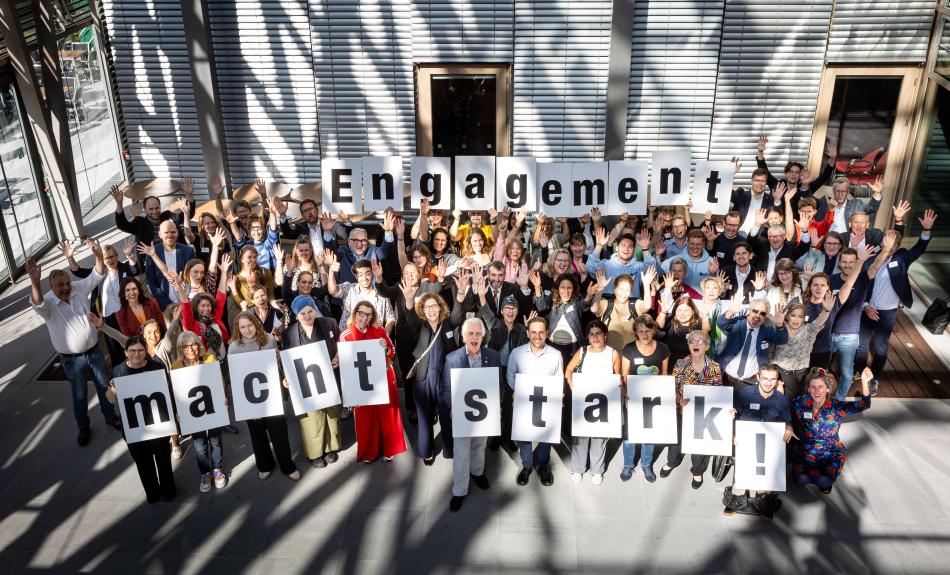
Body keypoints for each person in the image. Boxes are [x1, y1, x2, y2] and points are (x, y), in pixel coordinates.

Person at [27, 240, 122, 446]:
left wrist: (98, 255)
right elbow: (37, 302)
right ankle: (83, 427)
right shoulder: (48, 303)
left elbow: (97, 274)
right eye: (60, 285)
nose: (66, 288)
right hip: (72, 360)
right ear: (51, 286)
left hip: (94, 352)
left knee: (104, 386)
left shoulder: (77, 289)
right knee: (79, 394)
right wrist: (35, 282)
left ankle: (110, 416)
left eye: (67, 283)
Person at [858, 210, 936, 382]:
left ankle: (875, 378)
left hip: (887, 313)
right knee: (861, 345)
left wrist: (926, 231)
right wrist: (865, 305)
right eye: (886, 243)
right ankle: (858, 373)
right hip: (866, 308)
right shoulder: (871, 257)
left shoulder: (902, 258)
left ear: (898, 246)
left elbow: (920, 248)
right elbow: (862, 284)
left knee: (880, 348)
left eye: (893, 245)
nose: (889, 247)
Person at [228, 311, 300, 481]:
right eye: (243, 327)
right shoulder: (234, 348)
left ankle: (287, 466)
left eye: (250, 325)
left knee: (279, 432)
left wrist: (278, 361)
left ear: (256, 324)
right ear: (238, 329)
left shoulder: (268, 340)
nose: (247, 330)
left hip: (271, 394)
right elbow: (235, 376)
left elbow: (276, 366)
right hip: (249, 398)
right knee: (257, 434)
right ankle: (264, 465)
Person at [107, 336, 176, 502]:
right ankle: (152, 493)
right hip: (133, 427)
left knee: (163, 460)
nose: (136, 354)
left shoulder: (157, 368)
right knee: (143, 463)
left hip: (158, 424)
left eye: (140, 350)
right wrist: (113, 390)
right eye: (132, 350)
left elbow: (167, 393)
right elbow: (110, 399)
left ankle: (168, 491)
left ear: (146, 351)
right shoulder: (118, 371)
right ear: (125, 352)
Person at [724, 363, 796, 519]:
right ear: (757, 377)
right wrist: (733, 432)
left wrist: (789, 428)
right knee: (742, 467)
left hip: (770, 441)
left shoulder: (782, 401)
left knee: (767, 469)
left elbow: (787, 420)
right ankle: (738, 496)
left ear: (777, 380)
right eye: (764, 379)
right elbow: (733, 414)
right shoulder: (745, 394)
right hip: (747, 438)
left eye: (772, 379)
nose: (768, 383)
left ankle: (762, 497)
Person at [442, 317, 500, 512]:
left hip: (484, 413)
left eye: (478, 334)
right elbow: (446, 388)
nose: (474, 337)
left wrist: (497, 403)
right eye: (470, 334)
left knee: (479, 445)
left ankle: (477, 472)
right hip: (461, 414)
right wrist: (452, 406)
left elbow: (498, 384)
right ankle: (459, 490)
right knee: (461, 452)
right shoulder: (452, 359)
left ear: (483, 336)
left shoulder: (492, 356)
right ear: (463, 336)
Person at [401, 288, 464, 464]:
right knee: (425, 418)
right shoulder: (419, 324)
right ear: (422, 309)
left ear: (440, 307)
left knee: (447, 416)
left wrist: (460, 295)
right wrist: (409, 300)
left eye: (434, 306)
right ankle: (427, 450)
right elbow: (410, 317)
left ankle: (450, 448)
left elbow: (457, 314)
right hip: (424, 378)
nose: (431, 310)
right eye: (427, 307)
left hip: (444, 378)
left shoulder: (447, 323)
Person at [340, 301, 407, 463]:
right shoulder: (346, 336)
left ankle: (390, 448)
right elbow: (345, 364)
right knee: (365, 418)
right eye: (361, 313)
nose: (364, 317)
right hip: (360, 383)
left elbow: (392, 351)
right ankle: (369, 452)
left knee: (387, 415)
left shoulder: (379, 330)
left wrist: (385, 348)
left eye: (368, 314)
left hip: (383, 378)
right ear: (355, 313)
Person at [791, 367, 873, 494]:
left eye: (821, 386)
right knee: (800, 480)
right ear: (808, 389)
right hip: (806, 450)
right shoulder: (800, 402)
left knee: (823, 482)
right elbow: (784, 410)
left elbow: (864, 404)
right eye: (813, 387)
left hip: (830, 451)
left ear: (828, 389)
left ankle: (824, 479)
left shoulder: (836, 406)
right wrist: (788, 426)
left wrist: (864, 382)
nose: (817, 391)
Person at [282, 295, 343, 468]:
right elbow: (286, 359)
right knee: (311, 418)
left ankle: (330, 448)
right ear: (296, 316)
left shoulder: (329, 323)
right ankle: (315, 453)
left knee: (331, 414)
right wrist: (286, 377)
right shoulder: (289, 334)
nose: (308, 316)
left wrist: (339, 355)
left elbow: (341, 342)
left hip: (329, 378)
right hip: (305, 382)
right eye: (303, 314)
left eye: (310, 311)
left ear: (315, 310)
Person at [506, 317, 564, 487]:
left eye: (541, 332)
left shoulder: (556, 355)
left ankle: (543, 465)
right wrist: (518, 390)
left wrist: (558, 393)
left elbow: (559, 377)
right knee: (524, 435)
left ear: (547, 333)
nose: (537, 336)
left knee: (546, 436)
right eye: (533, 332)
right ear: (527, 333)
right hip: (524, 401)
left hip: (546, 402)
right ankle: (527, 465)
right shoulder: (516, 353)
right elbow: (510, 375)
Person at [661, 330, 723, 488]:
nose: (695, 343)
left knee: (699, 443)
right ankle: (672, 462)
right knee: (676, 439)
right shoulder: (680, 363)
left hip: (703, 414)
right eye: (692, 341)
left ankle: (698, 470)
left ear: (707, 346)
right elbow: (672, 387)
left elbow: (718, 393)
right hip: (681, 411)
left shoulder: (715, 367)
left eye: (700, 341)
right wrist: (678, 399)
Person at [565, 320, 621, 485]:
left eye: (598, 334)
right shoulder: (582, 351)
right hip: (584, 399)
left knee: (599, 436)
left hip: (603, 401)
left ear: (605, 335)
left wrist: (617, 388)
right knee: (580, 436)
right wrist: (570, 382)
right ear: (588, 337)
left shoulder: (613, 354)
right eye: (592, 334)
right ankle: (577, 468)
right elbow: (569, 370)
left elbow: (617, 377)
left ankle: (597, 470)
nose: (595, 337)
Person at [170, 332, 226, 492]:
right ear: (180, 349)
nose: (190, 349)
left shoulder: (209, 358)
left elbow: (219, 381)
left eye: (193, 344)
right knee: (199, 444)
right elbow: (176, 392)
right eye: (186, 346)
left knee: (215, 440)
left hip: (212, 406)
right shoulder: (176, 366)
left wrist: (223, 397)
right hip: (191, 411)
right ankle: (205, 473)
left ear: (198, 345)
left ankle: (217, 469)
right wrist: (177, 410)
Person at [619, 315, 671, 482]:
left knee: (650, 432)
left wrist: (664, 397)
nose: (644, 334)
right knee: (629, 433)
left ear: (653, 330)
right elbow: (624, 375)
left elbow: (664, 374)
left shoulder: (663, 349)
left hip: (654, 397)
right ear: (636, 332)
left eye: (648, 330)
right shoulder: (629, 349)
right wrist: (626, 395)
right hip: (634, 397)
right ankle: (628, 465)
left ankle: (646, 464)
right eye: (641, 331)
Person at [478, 288, 529, 452]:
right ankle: (497, 436)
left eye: (513, 308)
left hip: (513, 372)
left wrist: (528, 332)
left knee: (511, 406)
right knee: (496, 405)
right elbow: (485, 309)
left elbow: (524, 352)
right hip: (496, 370)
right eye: (507, 307)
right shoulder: (494, 323)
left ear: (517, 311)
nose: (510, 311)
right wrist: (481, 295)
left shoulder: (522, 329)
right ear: (502, 311)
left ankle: (512, 437)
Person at [717, 298, 788, 388]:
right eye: (755, 311)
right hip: (726, 378)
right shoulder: (737, 323)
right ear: (749, 311)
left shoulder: (766, 330)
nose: (758, 315)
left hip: (750, 382)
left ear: (765, 317)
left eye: (762, 313)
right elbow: (721, 323)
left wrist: (779, 325)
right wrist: (731, 311)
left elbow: (782, 339)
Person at [770, 301, 832, 398]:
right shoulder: (779, 326)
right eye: (793, 315)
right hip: (782, 373)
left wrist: (826, 311)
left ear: (804, 318)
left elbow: (818, 322)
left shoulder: (808, 330)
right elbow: (770, 349)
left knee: (801, 400)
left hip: (802, 374)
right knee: (784, 400)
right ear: (787, 316)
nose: (796, 319)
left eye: (800, 316)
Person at [177, 254, 232, 359]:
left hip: (221, 357)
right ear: (196, 307)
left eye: (208, 305)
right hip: (200, 361)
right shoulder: (191, 322)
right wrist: (179, 286)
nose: (206, 309)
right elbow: (186, 306)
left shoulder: (214, 316)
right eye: (203, 306)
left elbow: (221, 296)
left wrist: (224, 273)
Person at [591, 270, 655, 352]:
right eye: (621, 289)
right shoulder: (606, 304)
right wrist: (601, 287)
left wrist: (646, 284)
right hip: (610, 353)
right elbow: (593, 309)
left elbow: (647, 306)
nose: (623, 293)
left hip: (632, 353)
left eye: (627, 290)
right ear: (614, 289)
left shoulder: (635, 304)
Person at [327, 256, 396, 332]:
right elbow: (333, 291)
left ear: (372, 274)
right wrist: (331, 271)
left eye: (368, 274)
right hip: (350, 336)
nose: (364, 278)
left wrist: (385, 335)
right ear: (356, 276)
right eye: (360, 275)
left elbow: (390, 318)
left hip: (374, 336)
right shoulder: (350, 289)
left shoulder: (382, 292)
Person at [111, 183, 194, 245]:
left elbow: (187, 215)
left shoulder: (168, 216)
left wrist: (189, 195)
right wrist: (119, 204)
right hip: (150, 259)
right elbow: (123, 225)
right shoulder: (139, 223)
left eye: (157, 208)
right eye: (151, 209)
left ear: (160, 206)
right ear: (145, 210)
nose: (154, 212)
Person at [328, 211, 396, 284]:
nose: (360, 244)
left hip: (370, 290)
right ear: (349, 242)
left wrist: (388, 232)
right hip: (348, 290)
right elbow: (329, 252)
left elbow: (386, 252)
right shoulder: (342, 252)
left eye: (363, 240)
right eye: (355, 240)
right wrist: (327, 232)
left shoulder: (372, 250)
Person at [144, 220, 197, 313]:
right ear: (160, 234)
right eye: (166, 232)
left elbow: (193, 279)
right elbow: (151, 281)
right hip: (166, 308)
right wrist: (167, 303)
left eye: (173, 232)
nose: (170, 235)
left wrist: (186, 300)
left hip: (188, 303)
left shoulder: (188, 251)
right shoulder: (152, 253)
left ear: (177, 232)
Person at [656, 294, 709, 367]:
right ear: (675, 311)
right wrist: (663, 312)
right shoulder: (670, 321)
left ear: (693, 311)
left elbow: (705, 333)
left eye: (686, 310)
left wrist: (705, 316)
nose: (682, 314)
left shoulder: (698, 324)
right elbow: (658, 326)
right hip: (670, 366)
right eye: (679, 310)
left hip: (692, 367)